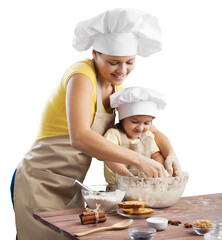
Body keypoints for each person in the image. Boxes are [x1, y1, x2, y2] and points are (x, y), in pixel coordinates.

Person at [12, 8, 182, 240]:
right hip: (39, 180)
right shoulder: (81, 76)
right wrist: (138, 160)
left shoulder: (118, 92)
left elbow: (153, 130)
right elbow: (80, 137)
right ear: (95, 54)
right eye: (114, 62)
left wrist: (170, 153)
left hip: (71, 186)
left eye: (129, 62)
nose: (122, 71)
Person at [102, 86, 168, 189]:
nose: (140, 128)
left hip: (144, 187)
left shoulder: (148, 136)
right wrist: (127, 177)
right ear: (122, 119)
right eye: (134, 122)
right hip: (118, 189)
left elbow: (156, 155)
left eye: (146, 123)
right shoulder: (114, 134)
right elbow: (108, 157)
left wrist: (157, 171)